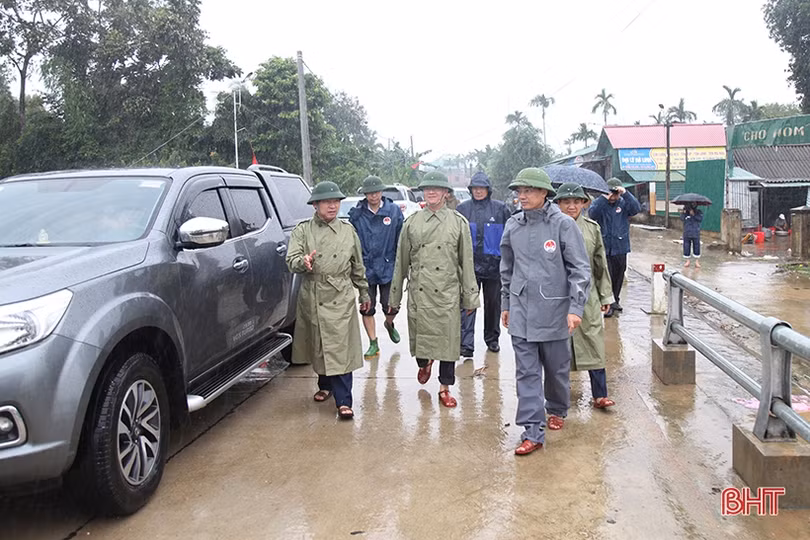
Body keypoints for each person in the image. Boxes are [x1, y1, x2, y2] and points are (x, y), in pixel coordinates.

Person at [500, 168, 591, 456]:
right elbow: (506, 269)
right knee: (526, 374)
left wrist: (575, 307)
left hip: (555, 311)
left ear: (544, 193)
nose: (522, 196)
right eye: (519, 191)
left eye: (528, 190)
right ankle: (532, 431)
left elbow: (580, 269)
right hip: (521, 311)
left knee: (556, 370)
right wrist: (506, 304)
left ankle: (557, 408)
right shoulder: (513, 225)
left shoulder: (563, 225)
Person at [389, 171, 479, 408]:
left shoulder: (458, 223)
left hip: (447, 292)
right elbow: (401, 262)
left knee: (448, 343)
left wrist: (470, 297)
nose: (431, 192)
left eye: (436, 189)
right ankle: (425, 362)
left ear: (445, 193)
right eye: (427, 189)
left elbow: (466, 261)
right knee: (421, 340)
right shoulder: (412, 223)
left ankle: (444, 387)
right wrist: (394, 298)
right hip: (420, 292)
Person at [286, 181, 370, 420]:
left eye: (336, 202)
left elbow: (357, 265)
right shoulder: (303, 230)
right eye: (327, 202)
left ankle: (344, 401)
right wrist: (303, 262)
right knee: (320, 343)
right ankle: (325, 384)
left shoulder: (348, 230)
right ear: (315, 205)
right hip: (314, 292)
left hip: (340, 293)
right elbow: (291, 259)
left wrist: (364, 292)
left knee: (340, 347)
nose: (333, 206)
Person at [554, 183, 616, 409]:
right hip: (557, 296)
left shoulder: (592, 228)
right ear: (558, 204)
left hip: (587, 296)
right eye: (566, 202)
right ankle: (558, 397)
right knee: (557, 347)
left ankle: (600, 394)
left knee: (593, 341)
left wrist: (605, 295)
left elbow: (600, 263)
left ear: (584, 203)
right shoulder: (549, 227)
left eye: (576, 202)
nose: (571, 206)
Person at [348, 175, 405, 359]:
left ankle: (389, 323)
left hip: (388, 266)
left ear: (382, 192)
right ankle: (373, 342)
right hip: (366, 267)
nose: (373, 196)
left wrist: (402, 263)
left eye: (377, 192)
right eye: (370, 193)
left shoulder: (393, 211)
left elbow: (402, 239)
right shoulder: (357, 214)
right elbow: (350, 241)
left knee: (391, 305)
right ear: (365, 194)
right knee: (367, 306)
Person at [456, 171, 511, 357]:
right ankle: (466, 344)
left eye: (482, 188)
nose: (478, 191)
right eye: (475, 188)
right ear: (470, 190)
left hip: (494, 268)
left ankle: (492, 339)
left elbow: (510, 235)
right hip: (469, 267)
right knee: (467, 304)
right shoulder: (462, 209)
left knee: (493, 305)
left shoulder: (500, 209)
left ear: (488, 190)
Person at [588, 178, 640, 318]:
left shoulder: (623, 203)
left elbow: (636, 209)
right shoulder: (600, 203)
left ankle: (615, 300)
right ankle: (608, 303)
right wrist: (604, 198)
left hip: (620, 246)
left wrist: (626, 194)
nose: (613, 196)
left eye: (615, 193)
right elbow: (592, 214)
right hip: (604, 246)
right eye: (610, 192)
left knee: (619, 274)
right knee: (607, 276)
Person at [681, 202, 703, 268]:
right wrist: (684, 212)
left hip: (695, 232)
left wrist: (693, 214)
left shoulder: (698, 212)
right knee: (686, 246)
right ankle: (687, 261)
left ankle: (697, 261)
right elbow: (682, 218)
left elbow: (700, 219)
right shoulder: (685, 213)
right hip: (687, 232)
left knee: (696, 246)